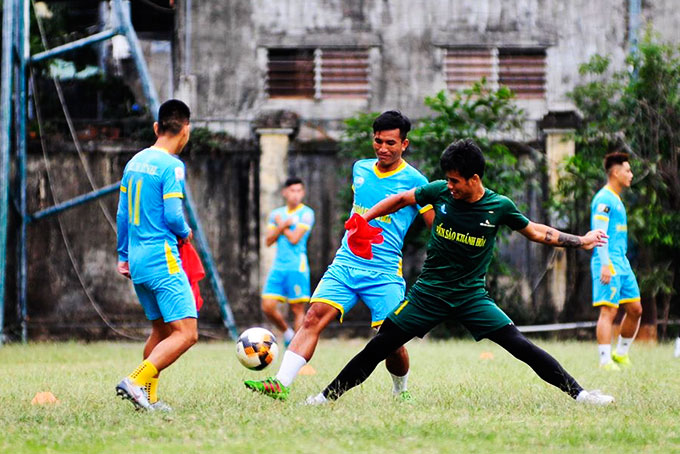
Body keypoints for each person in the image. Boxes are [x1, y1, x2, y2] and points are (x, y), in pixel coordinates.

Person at [306, 139, 615, 406]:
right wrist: (366, 218)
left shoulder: (499, 206)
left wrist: (582, 241)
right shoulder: (439, 192)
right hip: (429, 294)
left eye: (455, 181)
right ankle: (322, 399)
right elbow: (401, 199)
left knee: (521, 346)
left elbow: (537, 232)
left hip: (470, 296)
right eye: (448, 180)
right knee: (379, 346)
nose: (449, 186)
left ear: (474, 178)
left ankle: (582, 395)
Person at [245, 110, 435, 401]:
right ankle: (280, 384)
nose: (383, 148)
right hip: (345, 263)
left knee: (392, 342)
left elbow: (434, 224)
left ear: (404, 145)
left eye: (391, 143)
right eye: (378, 141)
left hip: (384, 272)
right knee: (313, 317)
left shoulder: (416, 182)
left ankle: (401, 391)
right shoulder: (360, 169)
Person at [114, 99, 197, 411]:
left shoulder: (134, 162)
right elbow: (174, 216)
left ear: (156, 127)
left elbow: (122, 213)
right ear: (185, 130)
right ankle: (135, 381)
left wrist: (123, 255)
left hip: (137, 259)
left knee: (161, 331)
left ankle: (147, 398)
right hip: (162, 257)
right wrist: (186, 232)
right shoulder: (172, 166)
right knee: (187, 334)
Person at [591, 151, 642, 370]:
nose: (631, 174)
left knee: (635, 309)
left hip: (622, 262)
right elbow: (599, 233)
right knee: (608, 310)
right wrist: (604, 264)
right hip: (607, 261)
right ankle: (605, 361)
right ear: (615, 172)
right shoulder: (604, 199)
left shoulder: (617, 199)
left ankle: (620, 353)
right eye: (627, 170)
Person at [261, 177, 315, 347]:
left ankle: (296, 349)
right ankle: (287, 332)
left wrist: (280, 226)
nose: (296, 195)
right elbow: (268, 240)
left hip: (297, 267)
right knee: (267, 306)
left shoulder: (306, 213)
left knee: (297, 309)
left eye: (299, 191)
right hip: (279, 266)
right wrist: (284, 224)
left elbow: (295, 238)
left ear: (303, 193)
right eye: (292, 191)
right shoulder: (277, 214)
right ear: (285, 192)